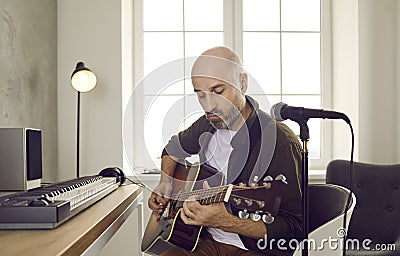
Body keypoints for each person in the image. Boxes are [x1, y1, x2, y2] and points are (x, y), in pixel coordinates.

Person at [148, 46, 302, 256]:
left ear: (243, 83)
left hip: (253, 250)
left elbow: (294, 230)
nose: (209, 105)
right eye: (201, 95)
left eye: (218, 91)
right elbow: (173, 148)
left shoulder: (280, 142)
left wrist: (227, 222)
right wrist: (165, 182)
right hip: (203, 239)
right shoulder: (208, 124)